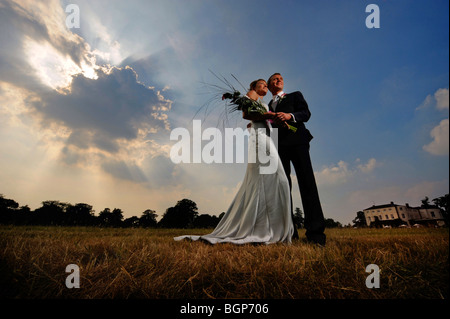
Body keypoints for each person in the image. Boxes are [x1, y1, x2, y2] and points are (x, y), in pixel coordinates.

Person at [174, 79, 294, 244]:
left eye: (266, 84)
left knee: (271, 180)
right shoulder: (252, 95)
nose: (265, 85)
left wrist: (281, 123)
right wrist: (266, 116)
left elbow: (262, 121)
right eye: (262, 84)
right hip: (260, 140)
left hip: (265, 137)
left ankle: (266, 226)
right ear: (254, 87)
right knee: (278, 178)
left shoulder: (262, 102)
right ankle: (263, 228)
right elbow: (246, 114)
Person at [267, 73, 326, 246]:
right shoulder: (268, 106)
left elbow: (306, 114)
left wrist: (289, 116)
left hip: (298, 142)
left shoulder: (294, 95)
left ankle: (316, 235)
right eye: (274, 79)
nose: (279, 80)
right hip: (278, 146)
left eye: (281, 78)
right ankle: (289, 234)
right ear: (270, 86)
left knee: (307, 184)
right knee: (284, 189)